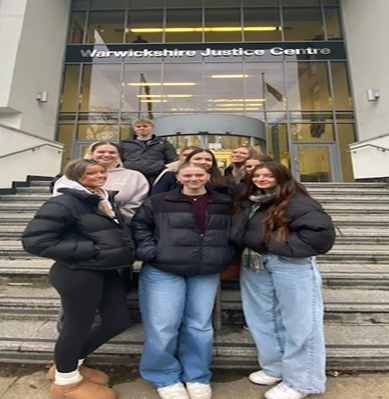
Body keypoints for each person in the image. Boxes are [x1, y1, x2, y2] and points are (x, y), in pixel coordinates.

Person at [22, 159, 135, 399]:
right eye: (91, 172)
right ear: (75, 177)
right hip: (78, 272)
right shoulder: (63, 202)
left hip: (105, 270)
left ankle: (69, 363)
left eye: (101, 171)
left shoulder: (99, 199)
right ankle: (66, 383)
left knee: (118, 320)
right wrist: (91, 250)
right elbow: (35, 241)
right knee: (77, 327)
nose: (99, 175)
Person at [230, 162, 335, 399]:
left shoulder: (298, 201)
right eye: (257, 175)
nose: (261, 178)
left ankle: (302, 382)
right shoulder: (251, 200)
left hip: (289, 265)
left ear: (282, 177)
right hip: (255, 263)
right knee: (263, 318)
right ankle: (275, 367)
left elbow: (319, 235)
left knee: (300, 322)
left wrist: (272, 244)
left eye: (268, 175)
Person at [131, 163, 235, 399]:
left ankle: (196, 376)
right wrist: (150, 250)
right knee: (162, 326)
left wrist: (226, 253)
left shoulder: (223, 202)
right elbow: (139, 226)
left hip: (205, 270)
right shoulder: (159, 201)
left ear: (208, 176)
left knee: (199, 326)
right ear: (178, 177)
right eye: (187, 174)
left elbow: (234, 230)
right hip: (164, 269)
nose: (194, 178)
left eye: (199, 174)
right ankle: (163, 376)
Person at [53, 141, 149, 225]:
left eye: (112, 152)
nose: (107, 155)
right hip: (79, 225)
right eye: (101, 152)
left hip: (120, 226)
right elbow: (61, 199)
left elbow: (138, 202)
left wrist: (117, 218)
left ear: (118, 155)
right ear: (91, 154)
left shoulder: (135, 176)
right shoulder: (72, 175)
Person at [119, 118, 178, 185]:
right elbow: (118, 160)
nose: (142, 128)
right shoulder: (124, 144)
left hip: (156, 177)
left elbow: (172, 160)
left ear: (152, 128)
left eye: (145, 126)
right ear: (134, 129)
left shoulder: (164, 143)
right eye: (138, 126)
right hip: (131, 177)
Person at [151, 148, 231, 196]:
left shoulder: (222, 181)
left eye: (208, 160)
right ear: (188, 160)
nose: (203, 162)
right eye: (198, 159)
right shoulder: (169, 177)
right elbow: (155, 198)